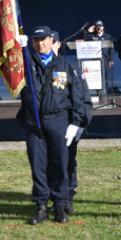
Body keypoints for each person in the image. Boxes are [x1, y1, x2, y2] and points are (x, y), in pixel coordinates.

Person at [17, 26, 85, 225]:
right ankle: (41, 206)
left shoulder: (66, 65)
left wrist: (76, 122)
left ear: (51, 41)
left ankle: (60, 205)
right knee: (38, 166)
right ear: (32, 43)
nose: (40, 43)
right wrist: (17, 50)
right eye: (36, 40)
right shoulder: (26, 64)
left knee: (60, 164)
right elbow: (10, 72)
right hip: (34, 122)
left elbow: (77, 96)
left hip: (58, 120)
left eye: (44, 39)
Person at [52, 30, 93, 214]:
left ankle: (67, 196)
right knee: (51, 162)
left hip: (69, 123)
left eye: (53, 42)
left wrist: (80, 123)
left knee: (68, 161)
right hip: (50, 124)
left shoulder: (69, 67)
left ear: (58, 44)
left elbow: (83, 97)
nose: (49, 46)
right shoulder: (37, 68)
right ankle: (55, 196)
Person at [84, 20, 116, 94]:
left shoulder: (108, 36)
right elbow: (85, 40)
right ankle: (98, 91)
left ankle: (105, 90)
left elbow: (111, 49)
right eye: (97, 27)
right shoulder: (93, 36)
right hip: (95, 59)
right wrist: (88, 32)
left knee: (105, 75)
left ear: (103, 27)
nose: (99, 28)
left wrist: (111, 59)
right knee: (97, 75)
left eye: (100, 26)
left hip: (105, 58)